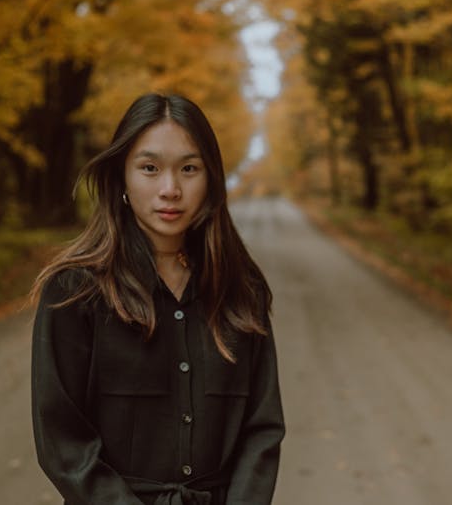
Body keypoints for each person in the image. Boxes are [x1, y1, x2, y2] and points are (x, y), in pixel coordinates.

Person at [30, 92, 285, 505]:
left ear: (211, 179)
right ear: (123, 177)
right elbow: (63, 442)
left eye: (189, 169)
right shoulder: (74, 290)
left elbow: (262, 428)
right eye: (149, 168)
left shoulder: (242, 289)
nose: (170, 189)